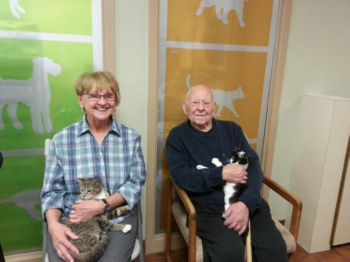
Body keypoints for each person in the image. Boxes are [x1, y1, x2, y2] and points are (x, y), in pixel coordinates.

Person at [166, 85, 288, 262]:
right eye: (195, 102)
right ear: (185, 107)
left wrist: (245, 204)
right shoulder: (177, 137)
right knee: (229, 253)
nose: (201, 107)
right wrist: (221, 174)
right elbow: (183, 177)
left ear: (214, 107)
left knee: (275, 250)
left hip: (246, 201)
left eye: (206, 103)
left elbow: (253, 167)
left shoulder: (232, 130)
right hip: (209, 209)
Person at [41, 71, 146, 262]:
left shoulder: (131, 139)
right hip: (72, 221)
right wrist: (54, 227)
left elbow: (135, 184)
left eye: (108, 95)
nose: (102, 102)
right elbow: (51, 193)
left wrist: (101, 205)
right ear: (81, 101)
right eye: (94, 96)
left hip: (116, 218)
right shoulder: (62, 140)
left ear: (116, 100)